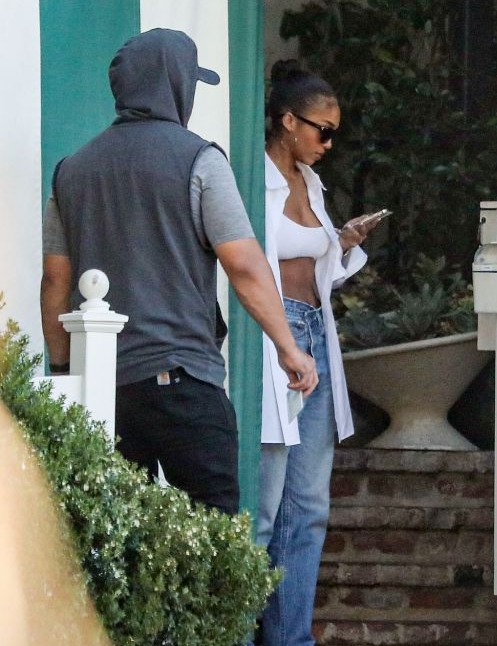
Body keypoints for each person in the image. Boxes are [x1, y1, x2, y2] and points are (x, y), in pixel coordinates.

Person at [40, 28, 317, 516]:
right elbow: (245, 265)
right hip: (182, 377)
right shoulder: (199, 160)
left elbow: (55, 282)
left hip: (107, 390)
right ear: (174, 86)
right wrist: (288, 347)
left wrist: (66, 371)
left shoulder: (72, 170)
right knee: (216, 535)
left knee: (125, 549)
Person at [230, 61, 383, 646]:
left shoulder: (312, 187)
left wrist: (342, 240)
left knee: (309, 503)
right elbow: (251, 267)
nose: (328, 142)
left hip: (315, 333)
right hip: (274, 334)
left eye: (334, 132)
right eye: (321, 130)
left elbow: (314, 268)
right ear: (287, 122)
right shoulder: (250, 178)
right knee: (263, 504)